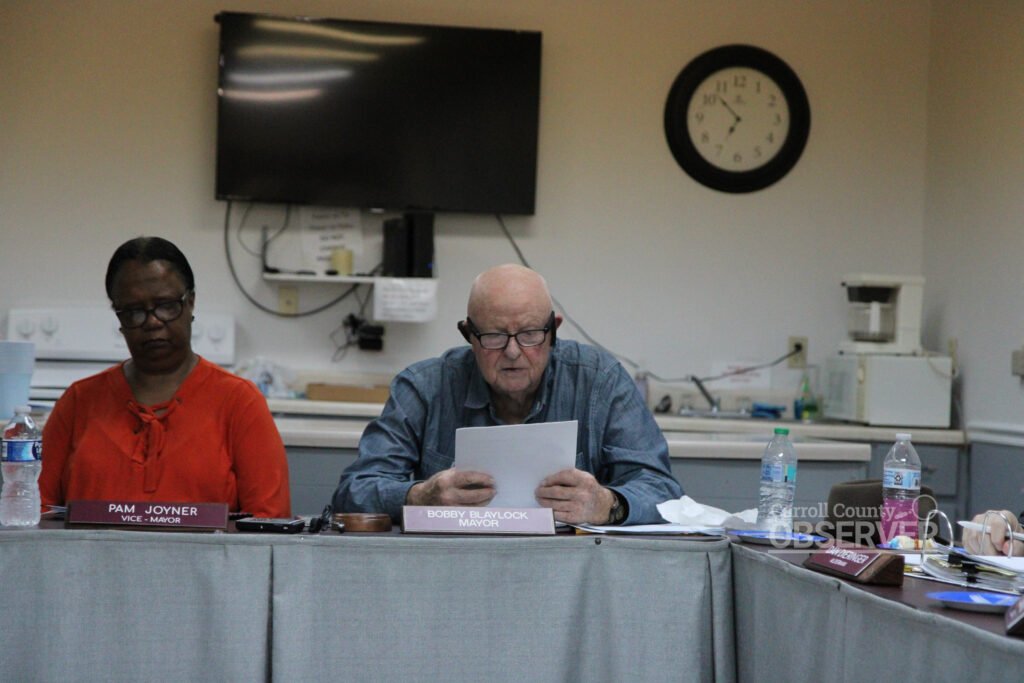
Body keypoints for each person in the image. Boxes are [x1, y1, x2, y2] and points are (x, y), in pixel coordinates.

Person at [334, 263, 683, 524]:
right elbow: (352, 492)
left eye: (531, 334)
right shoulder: (425, 387)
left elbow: (664, 493)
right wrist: (418, 496)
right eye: (494, 337)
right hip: (453, 568)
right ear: (468, 333)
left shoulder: (599, 381)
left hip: (571, 572)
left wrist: (609, 504)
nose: (514, 352)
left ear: (554, 330)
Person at [40, 236, 291, 517]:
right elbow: (32, 514)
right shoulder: (79, 402)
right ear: (118, 316)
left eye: (167, 305)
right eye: (134, 312)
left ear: (191, 302)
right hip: (86, 561)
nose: (153, 322)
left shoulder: (239, 402)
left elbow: (269, 523)